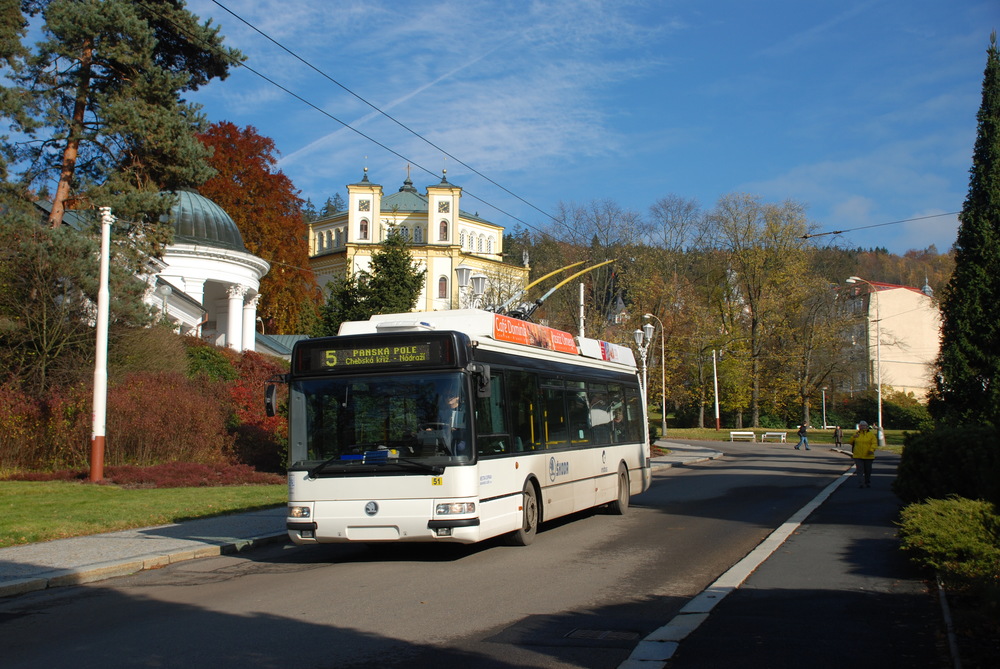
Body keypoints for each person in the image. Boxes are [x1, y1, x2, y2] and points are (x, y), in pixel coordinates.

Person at [849, 420, 878, 487]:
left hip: (868, 455)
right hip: (858, 455)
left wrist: (871, 450)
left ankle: (867, 481)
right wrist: (853, 437)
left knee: (868, 470)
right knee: (860, 470)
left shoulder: (871, 435)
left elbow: (874, 443)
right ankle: (861, 483)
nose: (862, 427)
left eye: (864, 426)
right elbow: (850, 442)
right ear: (859, 427)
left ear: (867, 426)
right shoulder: (856, 434)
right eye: (861, 426)